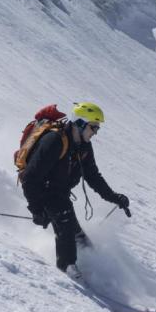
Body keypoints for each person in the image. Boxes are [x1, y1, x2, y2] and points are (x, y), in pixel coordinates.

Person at [20, 102, 130, 277]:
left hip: (60, 193)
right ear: (80, 123)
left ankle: (91, 262)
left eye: (97, 129)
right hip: (43, 191)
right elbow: (29, 178)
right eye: (93, 127)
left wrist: (115, 198)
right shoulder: (54, 141)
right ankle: (68, 269)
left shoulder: (83, 147)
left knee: (75, 232)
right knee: (64, 222)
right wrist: (37, 209)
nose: (95, 132)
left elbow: (93, 176)